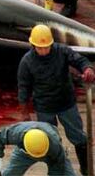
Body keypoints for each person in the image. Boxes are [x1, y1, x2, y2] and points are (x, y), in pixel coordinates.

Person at [17, 24, 95, 175]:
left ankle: (85, 168)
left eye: (47, 47)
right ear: (33, 45)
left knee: (79, 137)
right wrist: (24, 113)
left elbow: (79, 60)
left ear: (52, 43)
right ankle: (57, 171)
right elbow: (23, 87)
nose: (44, 50)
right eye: (40, 48)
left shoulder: (62, 51)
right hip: (44, 107)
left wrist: (87, 68)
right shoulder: (26, 62)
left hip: (66, 103)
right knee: (50, 142)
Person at [0, 121, 76, 175]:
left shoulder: (56, 146)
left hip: (49, 154)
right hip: (24, 152)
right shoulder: (17, 133)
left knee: (66, 173)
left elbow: (57, 168)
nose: (37, 157)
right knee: (11, 173)